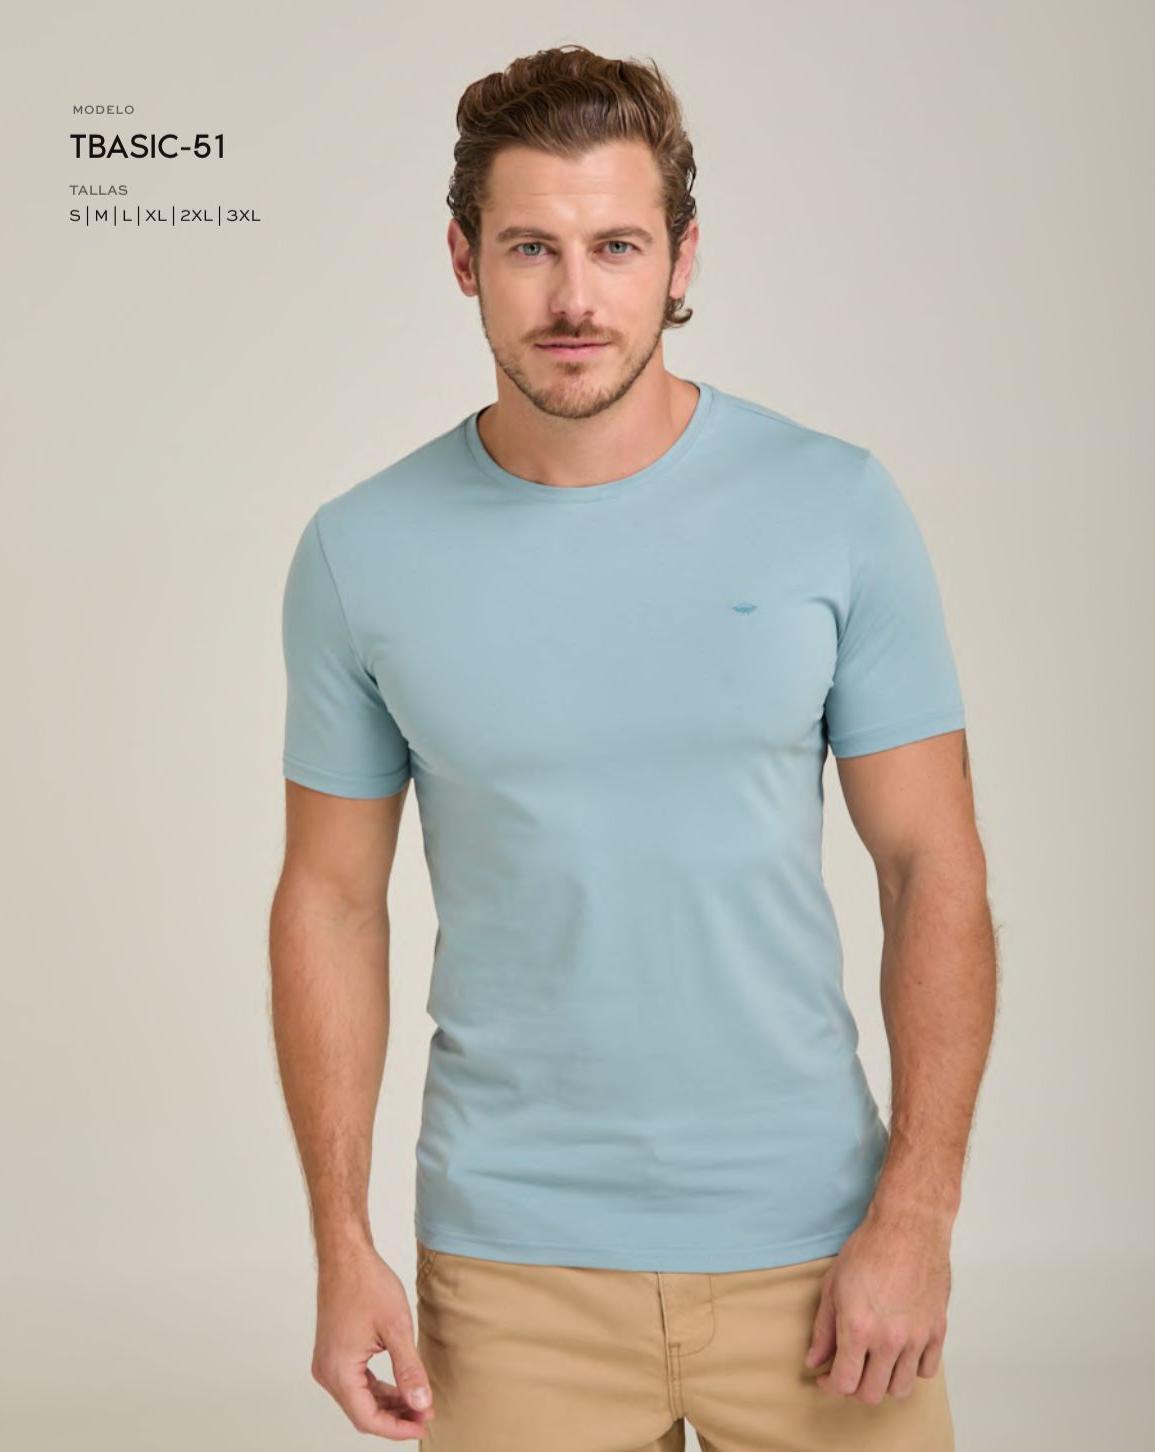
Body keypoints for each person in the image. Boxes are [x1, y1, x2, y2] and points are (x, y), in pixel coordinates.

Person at [269, 42, 997, 1452]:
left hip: (821, 1249)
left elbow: (933, 867)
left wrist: (917, 1213)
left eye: (616, 245)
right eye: (529, 247)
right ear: (463, 258)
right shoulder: (362, 551)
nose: (574, 297)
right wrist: (341, 1246)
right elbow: (332, 901)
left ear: (681, 260)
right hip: (511, 1266)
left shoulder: (835, 506)